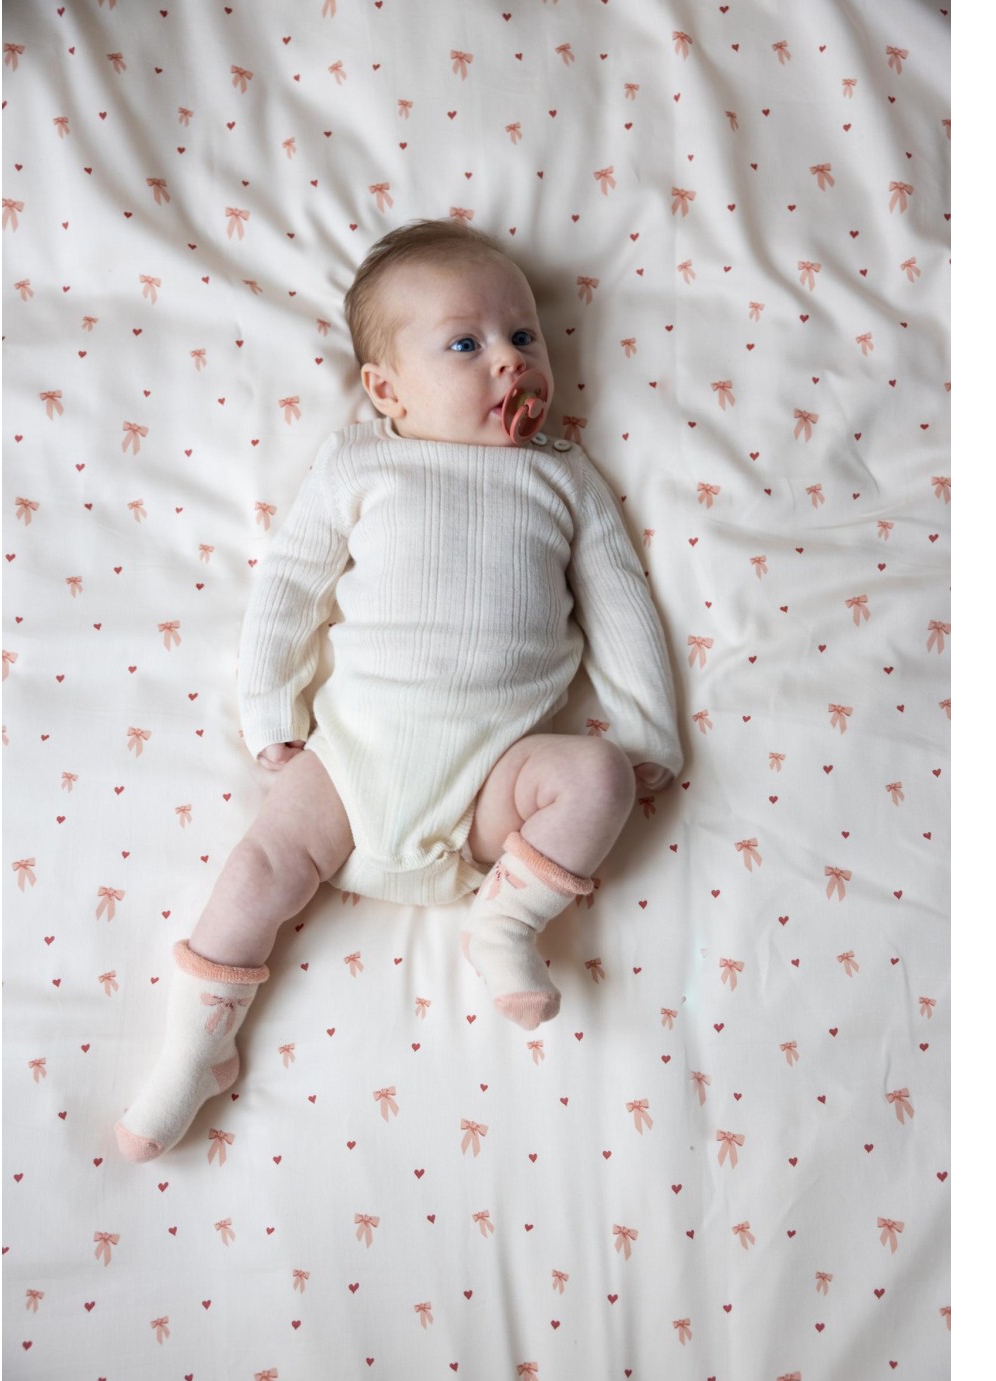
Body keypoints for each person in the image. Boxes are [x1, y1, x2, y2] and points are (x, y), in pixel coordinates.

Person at [115, 219, 682, 1162]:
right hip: (351, 759)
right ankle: (196, 1043)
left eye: (524, 336)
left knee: (600, 778)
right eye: (466, 344)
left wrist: (649, 730)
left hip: (493, 781)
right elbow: (289, 587)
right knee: (255, 872)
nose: (510, 360)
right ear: (386, 389)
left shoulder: (563, 477)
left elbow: (620, 597)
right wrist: (271, 712)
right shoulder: (359, 463)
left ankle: (505, 924)